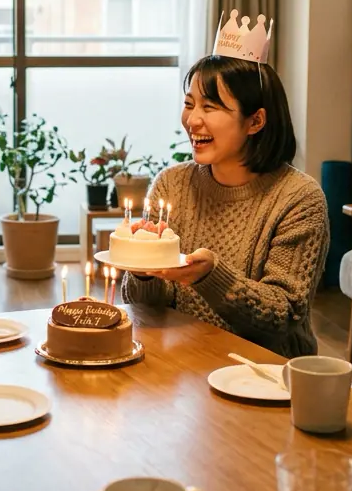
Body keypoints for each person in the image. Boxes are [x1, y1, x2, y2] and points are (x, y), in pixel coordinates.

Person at [122, 52, 330, 358]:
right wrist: (144, 273)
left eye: (209, 107)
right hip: (180, 360)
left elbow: (283, 315)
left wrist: (210, 277)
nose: (192, 120)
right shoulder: (171, 185)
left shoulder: (299, 198)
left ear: (255, 121)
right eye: (189, 104)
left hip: (263, 369)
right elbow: (143, 307)